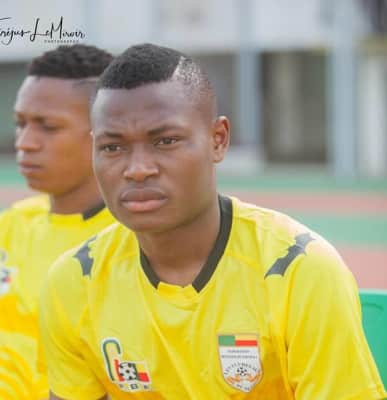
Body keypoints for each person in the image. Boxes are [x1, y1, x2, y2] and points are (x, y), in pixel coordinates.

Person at [39, 43, 387, 400]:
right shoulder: (75, 281)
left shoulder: (299, 271)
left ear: (217, 140)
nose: (138, 169)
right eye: (112, 147)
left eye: (165, 141)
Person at [0, 44, 116, 400]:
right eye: (21, 124)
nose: (25, 143)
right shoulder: (14, 224)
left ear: (106, 134)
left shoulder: (134, 241)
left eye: (48, 127)